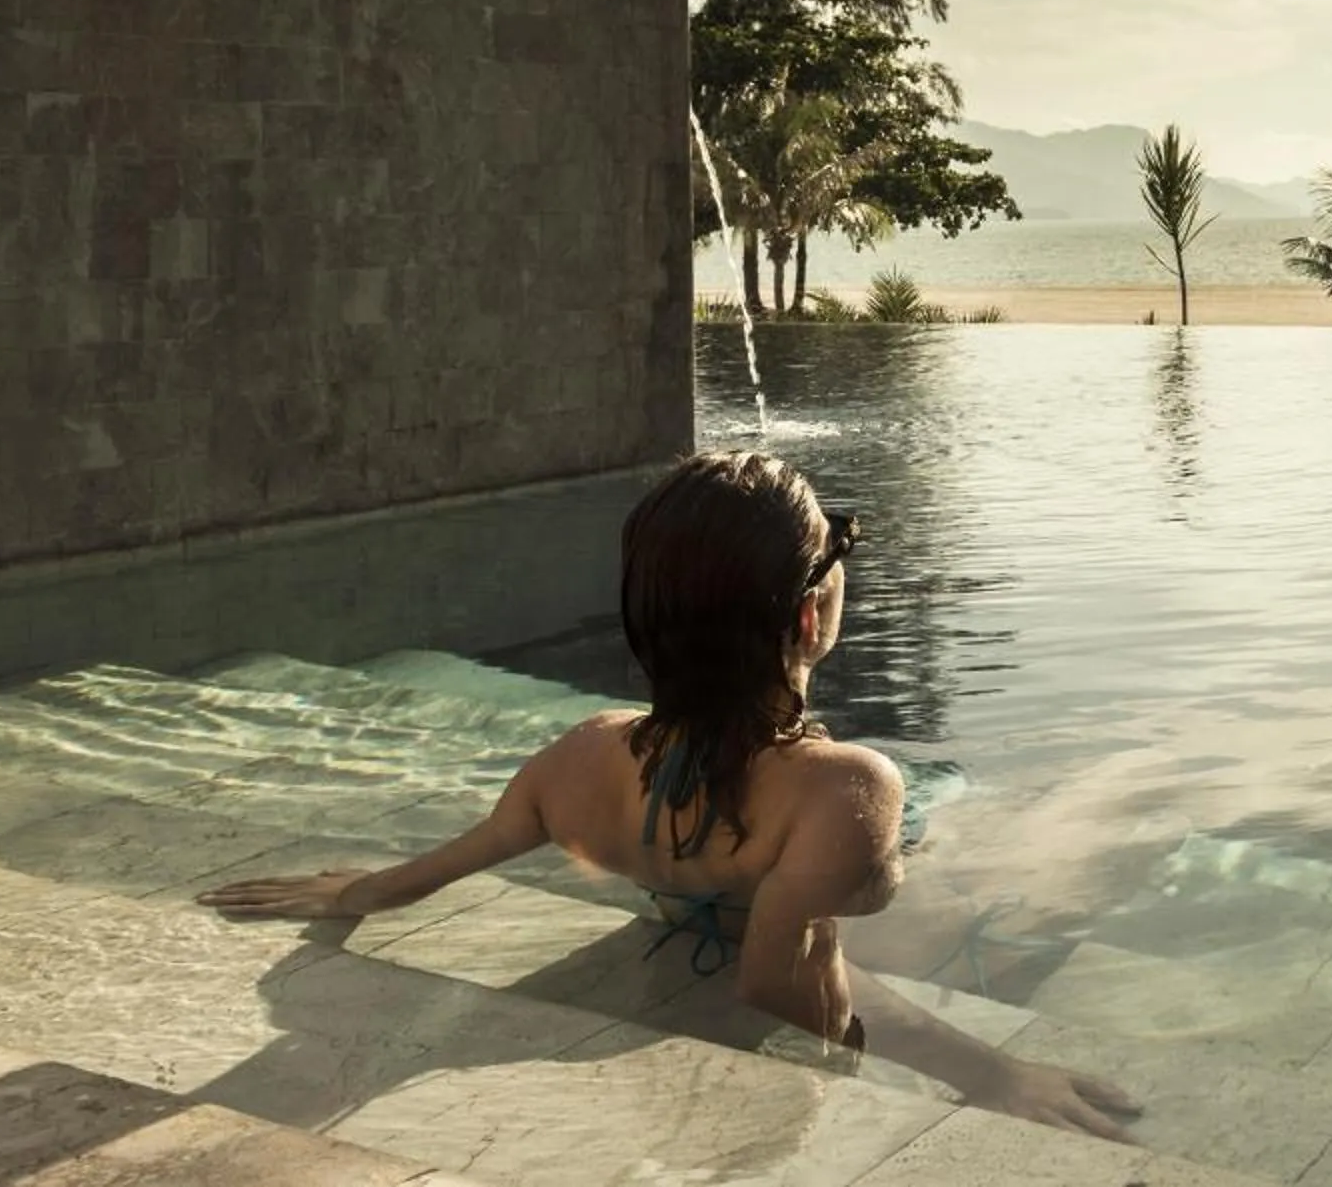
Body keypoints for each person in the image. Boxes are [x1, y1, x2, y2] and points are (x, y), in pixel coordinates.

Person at [200, 449, 1141, 1143]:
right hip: (777, 939)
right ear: (811, 614)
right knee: (1034, 845)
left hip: (689, 886)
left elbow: (456, 860)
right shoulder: (845, 787)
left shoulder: (582, 756)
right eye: (836, 548)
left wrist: (357, 893)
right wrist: (973, 1071)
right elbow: (777, 983)